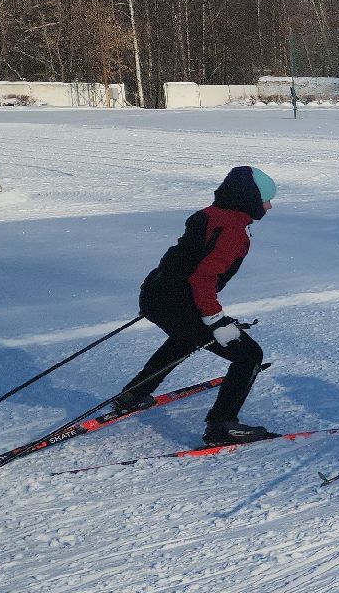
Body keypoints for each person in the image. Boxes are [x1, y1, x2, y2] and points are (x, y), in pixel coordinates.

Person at [113, 166, 277, 444]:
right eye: (266, 199)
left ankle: (134, 394)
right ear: (249, 197)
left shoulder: (210, 215)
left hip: (155, 294)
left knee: (186, 338)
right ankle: (221, 425)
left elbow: (182, 261)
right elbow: (203, 279)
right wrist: (216, 320)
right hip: (180, 302)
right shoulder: (232, 230)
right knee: (249, 355)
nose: (269, 206)